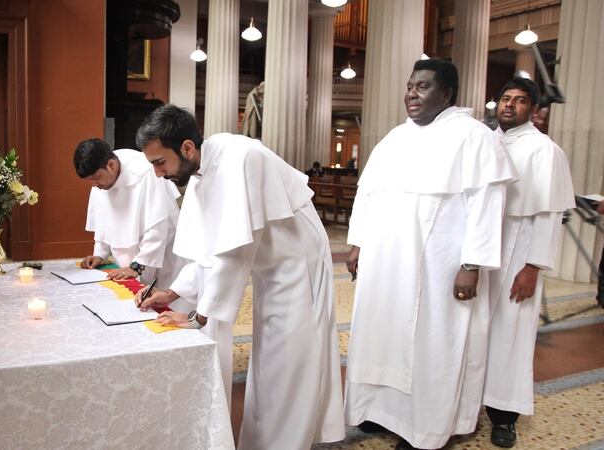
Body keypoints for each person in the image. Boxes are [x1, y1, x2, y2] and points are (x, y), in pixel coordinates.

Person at [134, 105, 345, 449]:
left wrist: (198, 315)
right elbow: (210, 248)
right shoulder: (203, 171)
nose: (158, 174)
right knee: (268, 366)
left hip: (296, 264)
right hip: (269, 266)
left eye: (160, 163)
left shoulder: (239, 158)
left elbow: (233, 252)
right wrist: (172, 292)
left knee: (290, 364)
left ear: (186, 148)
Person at [343, 59, 516, 450]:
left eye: (422, 87)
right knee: (380, 330)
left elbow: (486, 205)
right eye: (410, 86)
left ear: (447, 94)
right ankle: (380, 410)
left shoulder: (473, 136)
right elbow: (368, 195)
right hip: (385, 263)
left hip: (437, 265)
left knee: (431, 342)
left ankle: (424, 426)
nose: (412, 94)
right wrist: (357, 243)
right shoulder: (393, 138)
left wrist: (471, 265)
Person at [482, 77, 575, 448]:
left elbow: (548, 214)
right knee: (475, 331)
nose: (509, 105)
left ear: (533, 110)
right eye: (505, 98)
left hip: (518, 250)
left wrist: (533, 265)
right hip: (482, 251)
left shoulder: (544, 150)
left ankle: (504, 416)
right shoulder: (484, 142)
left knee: (511, 333)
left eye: (520, 101)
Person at [73, 139, 189, 306]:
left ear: (111, 165)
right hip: (129, 263)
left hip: (163, 257)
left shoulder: (146, 173)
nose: (94, 185)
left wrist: (137, 267)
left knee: (168, 311)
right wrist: (100, 253)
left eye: (96, 178)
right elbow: (104, 218)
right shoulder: (102, 181)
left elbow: (157, 230)